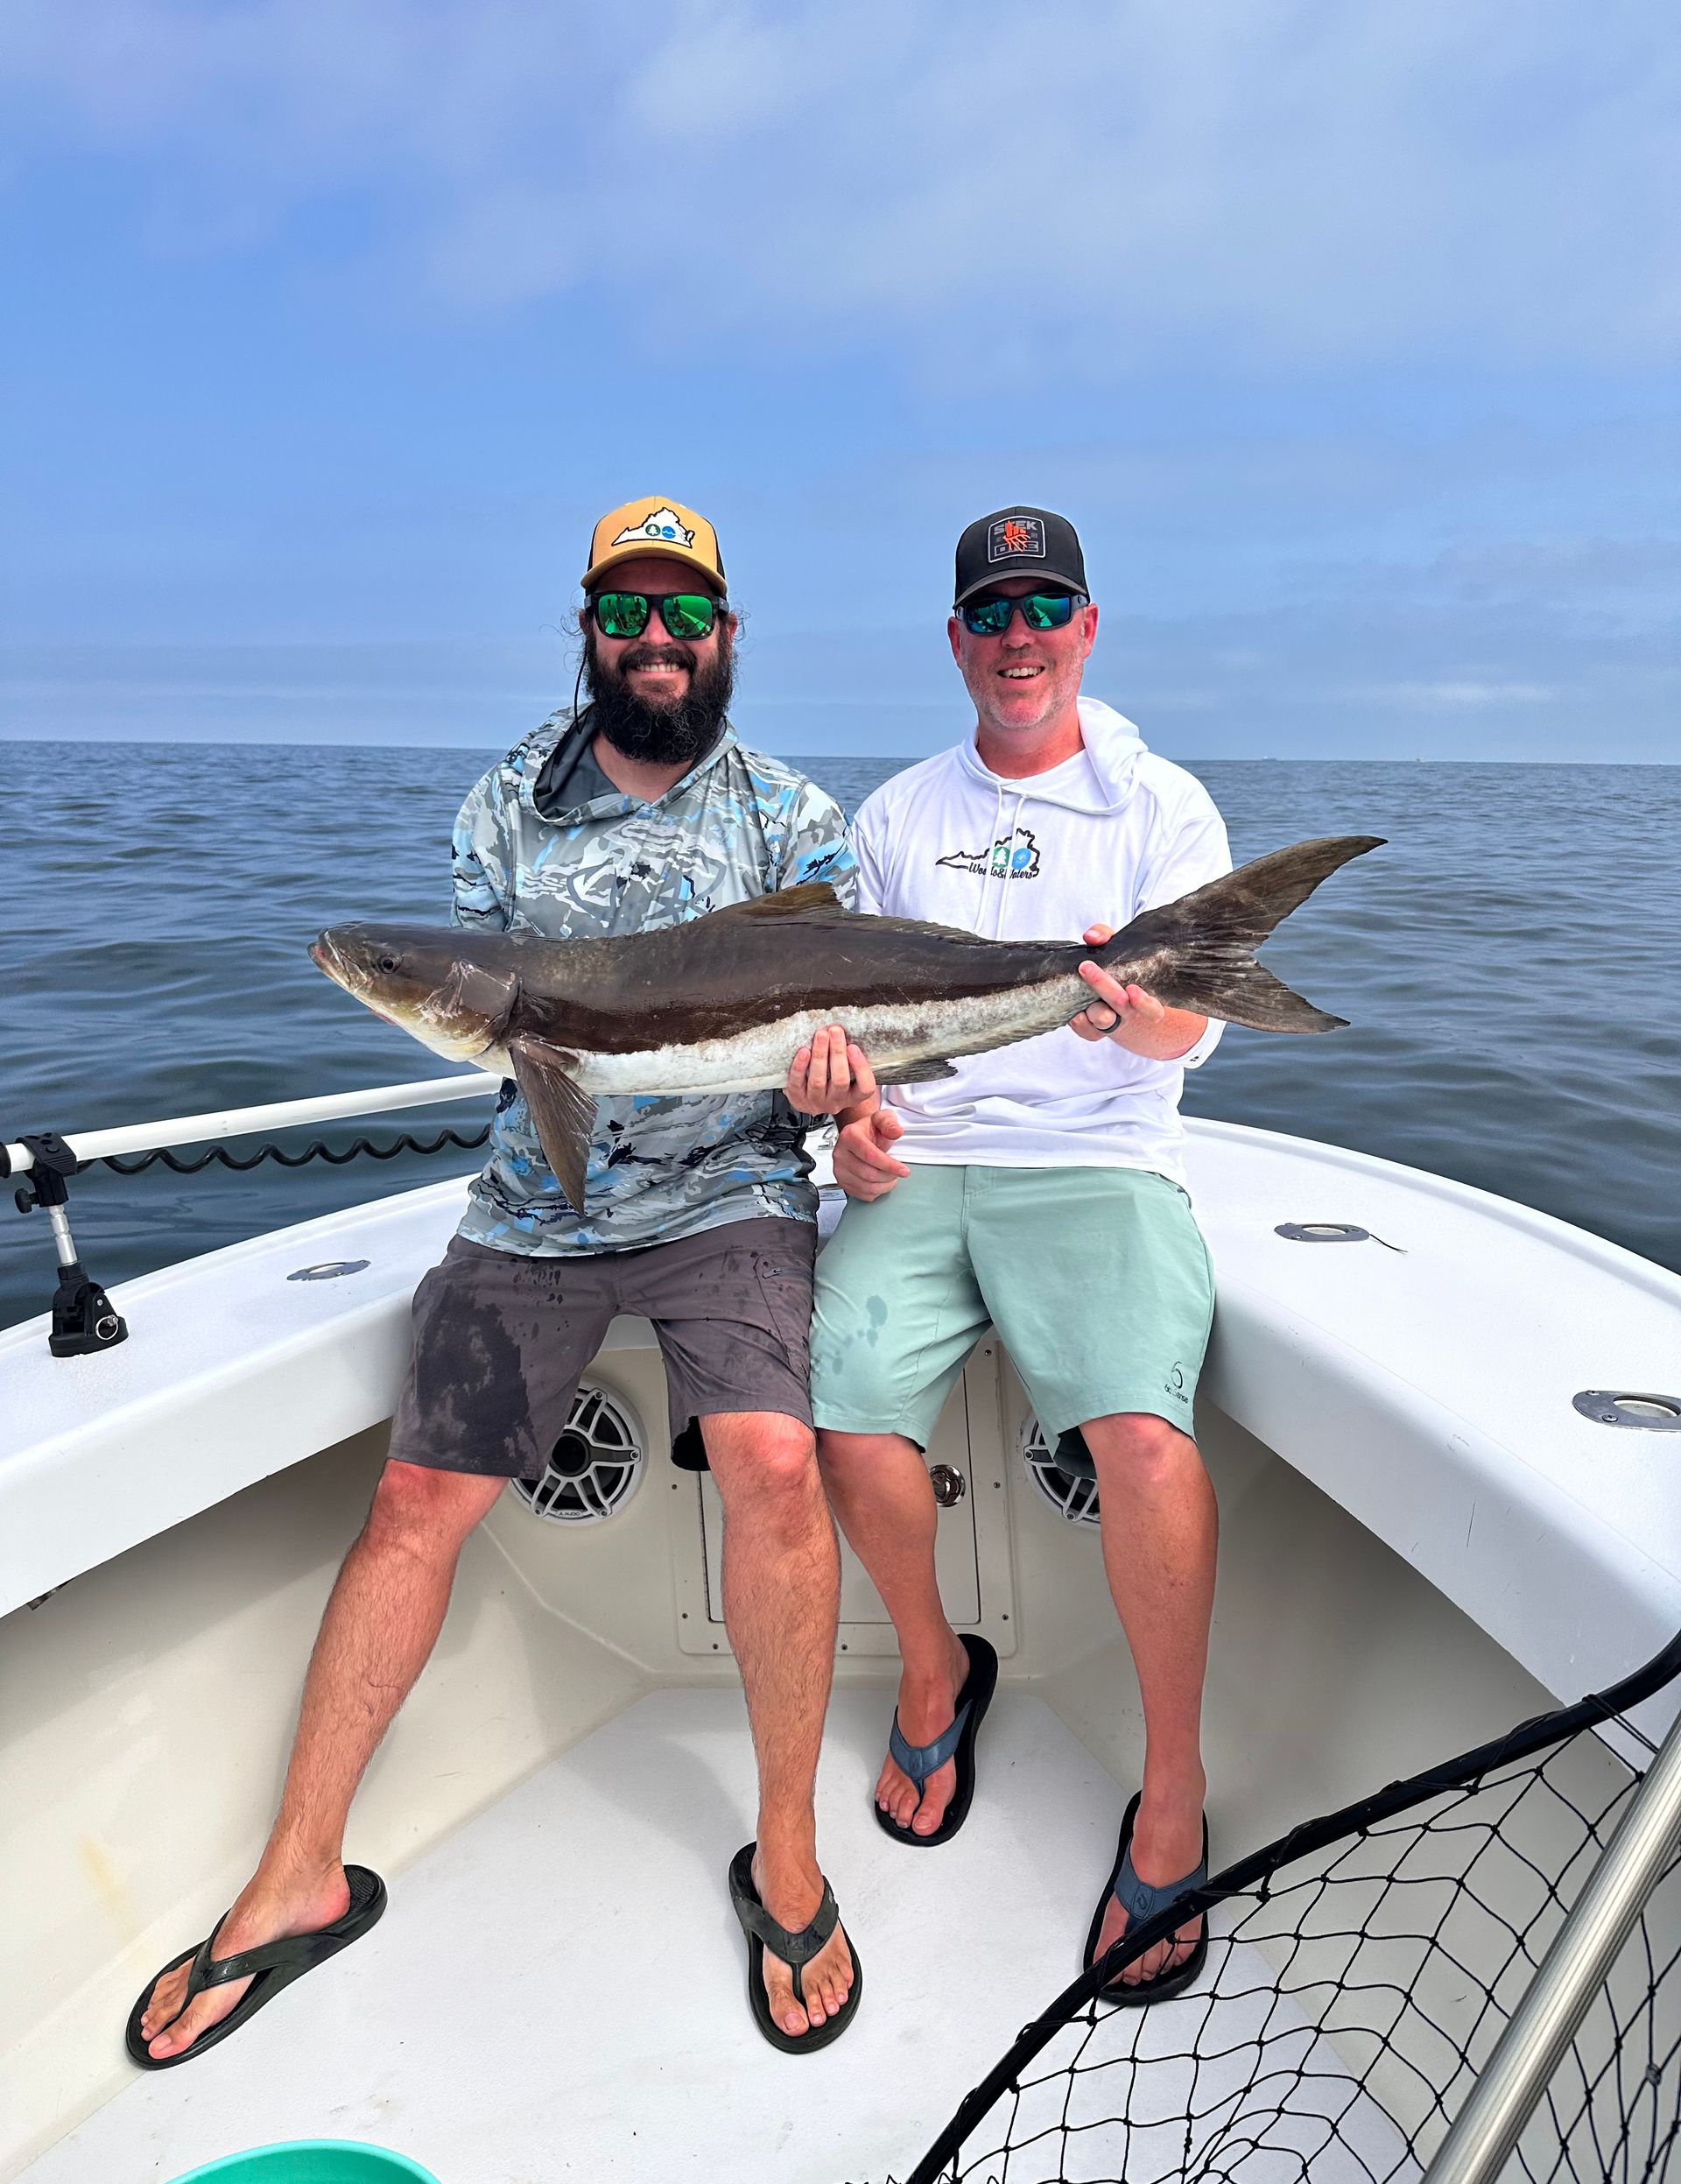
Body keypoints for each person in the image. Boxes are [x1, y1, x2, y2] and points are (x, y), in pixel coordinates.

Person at [130, 496, 862, 2063]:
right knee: (413, 1501)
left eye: (684, 617)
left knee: (775, 1466)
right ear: (585, 630)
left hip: (736, 1187)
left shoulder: (797, 820)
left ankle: (788, 1863)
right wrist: (506, 1049)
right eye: (624, 616)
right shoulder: (501, 811)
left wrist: (834, 1094)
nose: (654, 644)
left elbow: (853, 1074)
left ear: (726, 636)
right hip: (540, 1205)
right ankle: (295, 1873)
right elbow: (506, 1038)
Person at [799, 505, 1230, 2003]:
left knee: (1148, 1451)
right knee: (841, 1421)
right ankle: (937, 1668)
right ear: (957, 642)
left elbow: (1194, 1030)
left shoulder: (1159, 805)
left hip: (1100, 1160)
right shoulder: (896, 818)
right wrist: (846, 1131)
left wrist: (1130, 1013)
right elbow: (851, 1038)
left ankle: (1170, 1792)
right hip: (924, 1159)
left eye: (1046, 606)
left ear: (1090, 627)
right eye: (992, 613)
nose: (1020, 636)